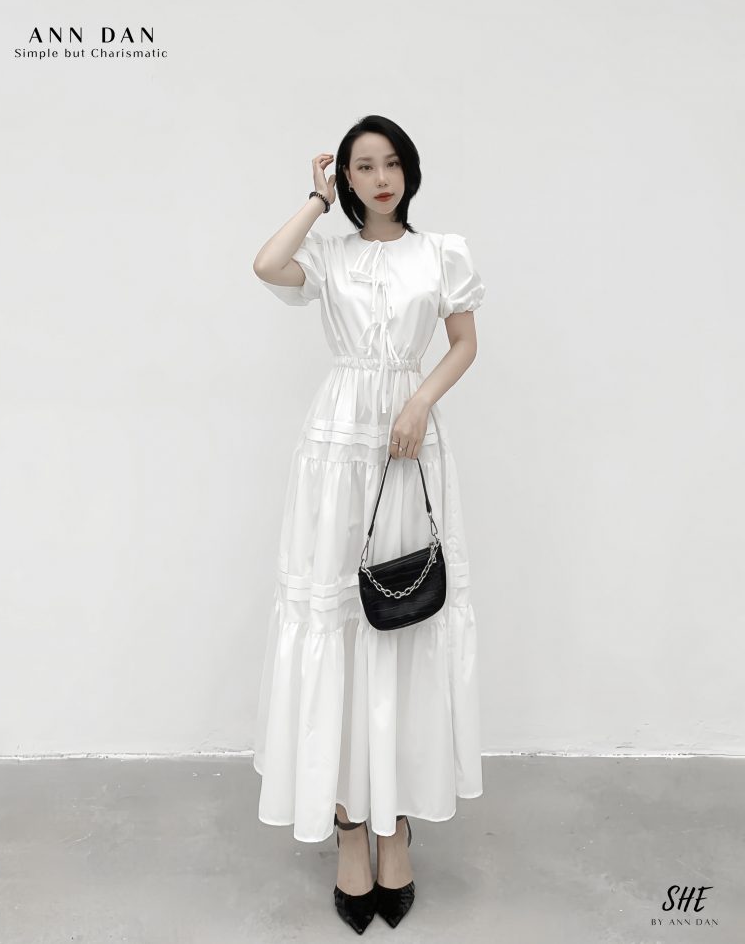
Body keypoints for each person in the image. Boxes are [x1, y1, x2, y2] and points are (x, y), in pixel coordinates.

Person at [252, 114, 485, 934]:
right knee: (340, 619)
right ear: (346, 178)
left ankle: (394, 825)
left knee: (403, 614)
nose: (380, 178)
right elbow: (266, 264)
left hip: (408, 444)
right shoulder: (330, 254)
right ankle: (351, 822)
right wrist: (315, 201)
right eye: (362, 167)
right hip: (336, 446)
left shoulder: (441, 251)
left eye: (391, 163)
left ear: (408, 172)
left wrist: (419, 400)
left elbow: (464, 343)